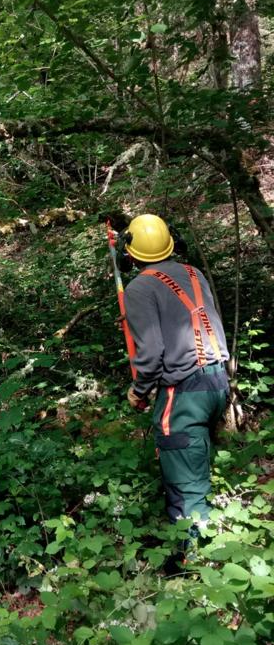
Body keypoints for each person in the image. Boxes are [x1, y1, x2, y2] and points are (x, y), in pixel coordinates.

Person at [122, 214, 229, 534]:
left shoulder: (139, 287)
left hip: (185, 393)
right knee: (196, 465)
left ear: (131, 253)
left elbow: (152, 355)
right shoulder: (194, 273)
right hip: (217, 382)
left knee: (186, 484)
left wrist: (138, 391)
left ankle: (194, 563)